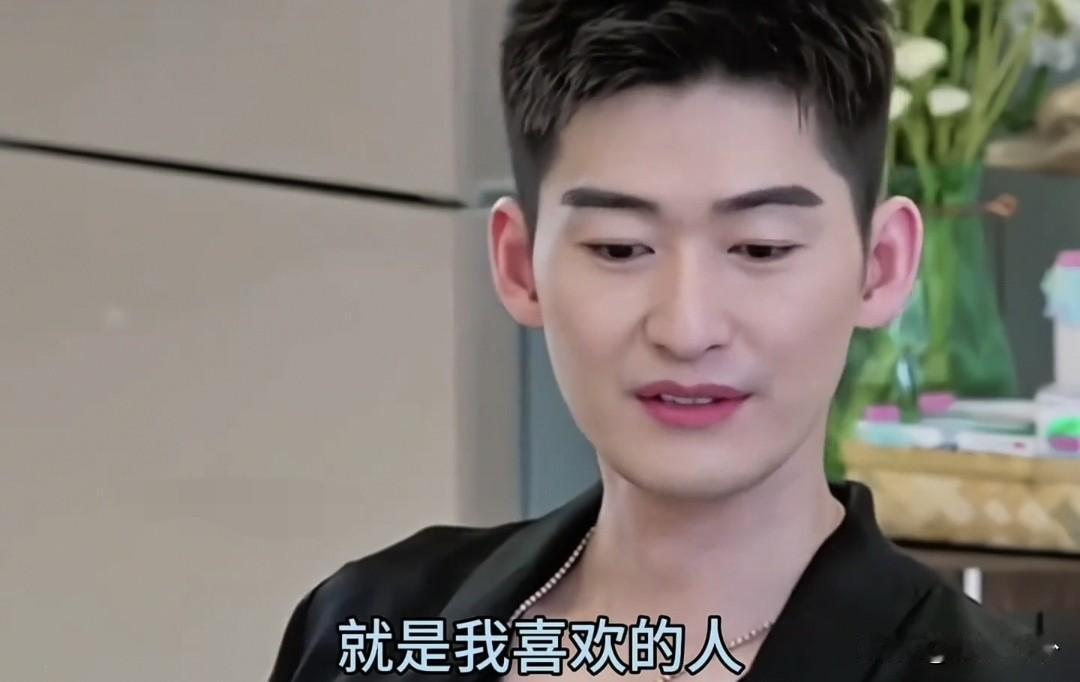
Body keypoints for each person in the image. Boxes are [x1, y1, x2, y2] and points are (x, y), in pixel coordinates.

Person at [269, 2, 1072, 680]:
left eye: (760, 248)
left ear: (882, 265)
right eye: (620, 248)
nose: (687, 329)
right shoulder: (368, 626)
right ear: (519, 265)